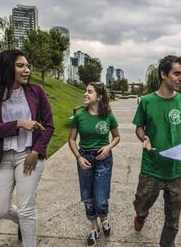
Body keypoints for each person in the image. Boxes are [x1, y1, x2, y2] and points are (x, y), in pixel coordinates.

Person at [0, 50, 54, 247]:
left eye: (28, 66)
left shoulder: (37, 91)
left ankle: (28, 232)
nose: (26, 70)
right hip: (1, 157)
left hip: (28, 155)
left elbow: (49, 125)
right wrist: (18, 123)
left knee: (27, 208)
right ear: (7, 67)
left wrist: (36, 152)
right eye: (21, 66)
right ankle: (27, 223)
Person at [132, 55, 181, 247]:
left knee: (173, 220)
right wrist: (144, 138)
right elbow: (139, 127)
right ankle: (141, 215)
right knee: (141, 203)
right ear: (163, 74)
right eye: (176, 73)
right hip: (152, 167)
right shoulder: (147, 101)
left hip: (176, 170)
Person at [68, 82, 120, 247]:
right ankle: (95, 227)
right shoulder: (79, 117)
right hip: (85, 158)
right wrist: (78, 157)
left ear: (99, 96)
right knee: (87, 197)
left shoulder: (109, 116)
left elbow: (117, 137)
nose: (85, 94)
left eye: (89, 92)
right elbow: (71, 140)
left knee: (101, 198)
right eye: (85, 91)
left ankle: (104, 218)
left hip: (103, 158)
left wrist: (108, 146)